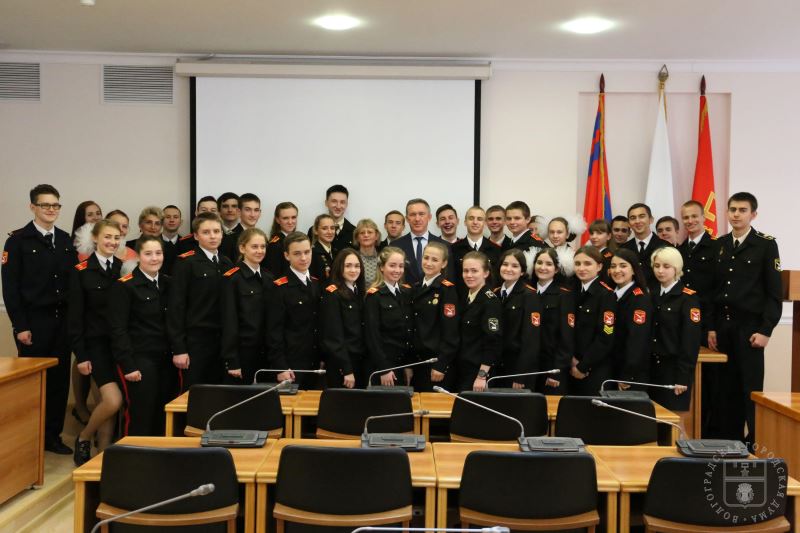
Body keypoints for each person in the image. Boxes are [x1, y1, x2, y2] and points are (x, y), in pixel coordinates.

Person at [2, 184, 77, 454]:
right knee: (33, 383)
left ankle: (52, 437)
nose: (51, 210)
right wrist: (20, 325)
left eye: (55, 205)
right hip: (34, 323)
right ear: (32, 207)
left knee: (58, 382)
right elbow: (10, 288)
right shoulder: (17, 241)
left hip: (61, 321)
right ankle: (29, 439)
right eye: (45, 205)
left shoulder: (65, 240)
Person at [708, 192, 782, 447]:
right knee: (724, 390)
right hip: (723, 327)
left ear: (753, 214)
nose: (736, 215)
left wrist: (766, 329)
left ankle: (754, 445)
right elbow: (713, 290)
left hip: (750, 329)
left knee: (750, 389)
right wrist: (711, 327)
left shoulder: (765, 245)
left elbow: (774, 294)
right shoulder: (720, 244)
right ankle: (729, 443)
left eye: (742, 210)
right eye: (733, 210)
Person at [69, 219, 123, 464]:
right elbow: (75, 318)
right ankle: (84, 436)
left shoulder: (122, 268)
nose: (112, 242)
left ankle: (103, 456)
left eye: (116, 238)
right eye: (107, 237)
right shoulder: (81, 271)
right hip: (96, 346)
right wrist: (81, 355)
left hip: (120, 346)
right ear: (95, 238)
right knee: (112, 401)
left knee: (109, 405)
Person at [109, 236, 171, 437]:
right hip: (139, 360)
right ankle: (132, 454)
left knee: (163, 413)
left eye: (158, 253)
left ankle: (159, 454)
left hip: (166, 360)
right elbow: (118, 330)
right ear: (138, 256)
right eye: (148, 253)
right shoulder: (125, 286)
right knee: (141, 414)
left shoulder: (169, 283)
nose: (154, 258)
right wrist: (128, 365)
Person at [168, 211, 233, 389]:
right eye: (206, 232)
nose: (213, 236)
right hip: (196, 341)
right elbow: (176, 307)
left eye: (216, 231)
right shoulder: (186, 262)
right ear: (196, 236)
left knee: (220, 393)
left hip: (222, 341)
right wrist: (179, 348)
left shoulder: (226, 263)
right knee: (194, 394)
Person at [678, 200, 720, 436]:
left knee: (711, 383)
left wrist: (712, 327)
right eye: (686, 217)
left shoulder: (715, 247)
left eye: (694, 216)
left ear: (704, 218)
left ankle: (707, 432)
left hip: (706, 323)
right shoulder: (680, 250)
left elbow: (716, 291)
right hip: (683, 323)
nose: (690, 221)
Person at [650, 246, 701, 432]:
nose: (660, 271)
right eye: (657, 266)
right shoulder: (651, 294)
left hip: (674, 370)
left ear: (676, 268)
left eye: (666, 266)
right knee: (652, 425)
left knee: (675, 426)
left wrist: (683, 377)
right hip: (652, 368)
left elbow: (690, 341)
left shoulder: (687, 298)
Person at [266, 231, 322, 389]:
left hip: (315, 362)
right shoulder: (279, 288)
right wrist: (280, 366)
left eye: (307, 252)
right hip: (291, 364)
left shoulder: (316, 283)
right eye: (297, 253)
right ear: (286, 255)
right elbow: (273, 331)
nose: (303, 258)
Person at [220, 228, 274, 385]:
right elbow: (229, 321)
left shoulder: (269, 277)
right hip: (243, 352)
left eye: (263, 247)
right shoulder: (233, 279)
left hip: (266, 352)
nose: (260, 251)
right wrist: (232, 360)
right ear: (242, 248)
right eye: (254, 247)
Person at [69, 201, 104, 425]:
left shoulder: (107, 242)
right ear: (81, 218)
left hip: (101, 315)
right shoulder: (73, 247)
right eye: (90, 214)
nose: (95, 217)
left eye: (98, 213)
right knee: (82, 358)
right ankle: (80, 407)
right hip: (80, 310)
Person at [411, 242, 460, 391]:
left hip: (436, 363)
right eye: (426, 258)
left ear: (444, 264)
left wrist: (441, 364)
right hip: (417, 361)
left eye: (435, 260)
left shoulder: (447, 290)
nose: (429, 263)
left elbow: (451, 332)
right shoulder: (416, 287)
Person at [363, 247, 414, 387]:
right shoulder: (374, 296)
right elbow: (372, 336)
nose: (397, 270)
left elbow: (408, 331)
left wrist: (408, 365)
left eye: (401, 266)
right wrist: (384, 368)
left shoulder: (405, 292)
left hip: (402, 363)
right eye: (392, 265)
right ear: (381, 267)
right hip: (383, 365)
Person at [570, 246, 616, 395]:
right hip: (571, 365)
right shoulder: (572, 291)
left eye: (587, 263)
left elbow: (606, 336)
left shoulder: (606, 295)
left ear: (599, 267)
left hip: (595, 369)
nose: (581, 268)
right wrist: (571, 359)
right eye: (577, 264)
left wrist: (583, 366)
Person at [494, 249, 542, 389]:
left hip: (517, 369)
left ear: (522, 272)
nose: (508, 269)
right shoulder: (495, 293)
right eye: (505, 264)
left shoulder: (530, 295)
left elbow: (531, 341)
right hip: (497, 366)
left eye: (515, 266)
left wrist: (521, 375)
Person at [320, 248, 367, 388]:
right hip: (342, 364)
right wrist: (346, 369)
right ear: (339, 267)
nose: (353, 270)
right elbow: (334, 337)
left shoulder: (359, 291)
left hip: (359, 360)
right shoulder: (333, 294)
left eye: (357, 266)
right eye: (348, 266)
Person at [457, 251, 502, 392]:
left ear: (486, 273)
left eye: (474, 271)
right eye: (465, 271)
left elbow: (493, 341)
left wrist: (482, 376)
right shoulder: (466, 296)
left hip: (478, 373)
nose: (469, 275)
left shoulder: (490, 302)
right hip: (462, 368)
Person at [532, 248, 574, 395]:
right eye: (539, 263)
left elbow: (566, 338)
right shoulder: (528, 291)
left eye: (549, 264)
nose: (543, 267)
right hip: (529, 366)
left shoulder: (563, 295)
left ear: (556, 269)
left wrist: (557, 371)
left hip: (551, 366)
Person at [608, 248, 652, 386]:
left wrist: (627, 375)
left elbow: (637, 340)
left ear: (634, 270)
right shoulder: (609, 294)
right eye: (613, 266)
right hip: (610, 367)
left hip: (629, 374)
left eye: (623, 266)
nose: (617, 270)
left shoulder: (639, 299)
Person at [392, 198, 452, 285]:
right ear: (407, 219)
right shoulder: (395, 246)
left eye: (421, 214)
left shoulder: (444, 245)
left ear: (429, 217)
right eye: (413, 214)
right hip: (404, 293)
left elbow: (449, 279)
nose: (417, 219)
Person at [451, 206, 501, 297]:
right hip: (461, 300)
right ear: (465, 222)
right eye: (471, 218)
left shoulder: (496, 250)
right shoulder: (453, 249)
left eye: (479, 219)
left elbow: (497, 281)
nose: (475, 222)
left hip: (487, 301)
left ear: (485, 223)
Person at [622, 203, 671, 289]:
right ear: (629, 223)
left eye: (642, 216)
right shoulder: (623, 249)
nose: (637, 221)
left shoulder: (666, 247)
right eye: (633, 218)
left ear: (651, 220)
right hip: (632, 296)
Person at [503, 201, 548, 277]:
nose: (512, 222)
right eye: (509, 218)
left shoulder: (535, 244)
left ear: (527, 219)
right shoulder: (507, 242)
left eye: (517, 218)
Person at [307, 185, 356, 255]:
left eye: (342, 202)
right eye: (334, 201)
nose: (338, 206)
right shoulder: (313, 230)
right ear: (326, 203)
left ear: (346, 204)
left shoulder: (355, 232)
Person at [220, 193, 262, 261]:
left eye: (256, 210)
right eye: (248, 210)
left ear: (260, 213)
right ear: (239, 212)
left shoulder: (262, 237)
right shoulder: (229, 239)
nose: (252, 215)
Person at [264, 201, 298, 277]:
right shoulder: (275, 245)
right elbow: (274, 276)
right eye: (285, 218)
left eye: (293, 217)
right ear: (277, 220)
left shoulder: (297, 240)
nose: (290, 222)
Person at [354, 218, 382, 286]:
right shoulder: (353, 258)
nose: (366, 235)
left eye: (370, 232)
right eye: (362, 233)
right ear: (357, 238)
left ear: (376, 236)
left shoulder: (383, 258)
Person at [309, 214, 336, 282]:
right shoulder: (312, 253)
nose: (330, 232)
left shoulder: (336, 251)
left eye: (332, 228)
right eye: (324, 228)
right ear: (316, 231)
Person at [588, 219, 614, 284]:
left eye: (599, 233)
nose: (594, 237)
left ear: (609, 236)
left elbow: (606, 281)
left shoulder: (609, 258)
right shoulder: (588, 254)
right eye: (592, 233)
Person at [160, 204, 183, 274]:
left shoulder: (188, 244)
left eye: (175, 217)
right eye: (168, 217)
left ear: (181, 222)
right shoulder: (152, 243)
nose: (172, 220)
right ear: (161, 221)